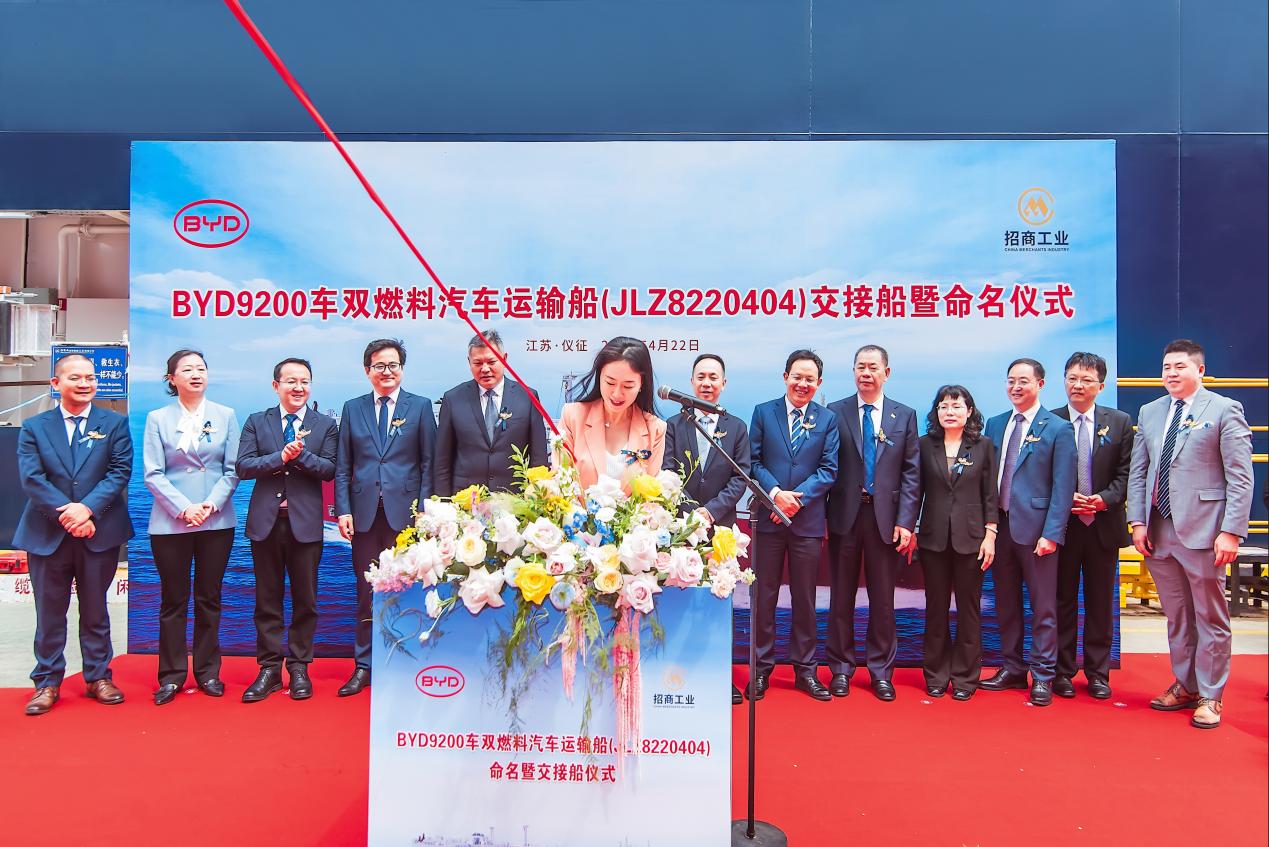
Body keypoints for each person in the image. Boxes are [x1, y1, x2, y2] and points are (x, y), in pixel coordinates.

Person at [1128, 339, 1253, 729]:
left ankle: (1211, 696)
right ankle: (1186, 684)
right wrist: (1137, 522)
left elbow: (1241, 477)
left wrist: (1231, 531)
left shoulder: (1224, 409)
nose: (1171, 373)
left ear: (1200, 370)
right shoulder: (1150, 412)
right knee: (1178, 616)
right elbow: (1139, 472)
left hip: (1205, 531)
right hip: (1158, 531)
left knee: (1209, 616)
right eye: (1166, 367)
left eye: (1179, 366)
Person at [16, 354, 133, 715]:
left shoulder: (114, 423)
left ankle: (98, 677)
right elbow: (32, 478)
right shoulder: (34, 427)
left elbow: (119, 471)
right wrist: (69, 514)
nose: (85, 384)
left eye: (90, 378)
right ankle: (47, 682)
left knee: (96, 610)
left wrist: (87, 509)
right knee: (50, 613)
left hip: (99, 531)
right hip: (47, 533)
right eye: (75, 378)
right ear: (56, 383)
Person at [335, 339, 436, 696]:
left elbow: (429, 464)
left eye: (393, 365)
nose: (387, 371)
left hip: (406, 516)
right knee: (366, 592)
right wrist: (343, 509)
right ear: (368, 371)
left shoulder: (420, 407)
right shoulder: (353, 408)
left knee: (407, 589)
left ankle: (404, 663)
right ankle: (364, 665)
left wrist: (424, 509)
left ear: (402, 369)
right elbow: (343, 465)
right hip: (363, 516)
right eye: (379, 366)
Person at [236, 358, 338, 703]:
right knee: (267, 600)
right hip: (265, 524)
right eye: (291, 381)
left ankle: (299, 667)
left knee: (306, 600)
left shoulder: (325, 425)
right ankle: (268, 669)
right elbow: (243, 466)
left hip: (305, 525)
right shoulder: (257, 421)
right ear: (276, 385)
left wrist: (300, 456)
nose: (298, 387)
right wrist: (279, 457)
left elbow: (330, 469)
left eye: (305, 381)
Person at [143, 349, 241, 705]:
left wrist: (209, 505)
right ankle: (170, 676)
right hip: (171, 521)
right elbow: (153, 473)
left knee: (209, 598)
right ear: (172, 378)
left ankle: (208, 672)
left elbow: (233, 469)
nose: (196, 374)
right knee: (173, 600)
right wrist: (185, 509)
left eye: (201, 368)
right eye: (187, 369)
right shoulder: (157, 418)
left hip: (216, 520)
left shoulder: (226, 415)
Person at [825, 345, 920, 701]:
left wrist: (906, 522)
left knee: (883, 600)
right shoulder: (834, 412)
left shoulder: (904, 415)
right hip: (844, 516)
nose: (866, 373)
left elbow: (911, 473)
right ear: (853, 371)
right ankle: (840, 668)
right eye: (860, 367)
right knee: (841, 597)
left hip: (886, 520)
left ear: (886, 373)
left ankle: (881, 672)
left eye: (873, 367)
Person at [980, 358, 1076, 706]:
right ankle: (1013, 667)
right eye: (1011, 381)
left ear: (1040, 384)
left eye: (1023, 381)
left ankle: (1044, 674)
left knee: (1043, 606)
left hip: (1038, 533)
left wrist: (1052, 533)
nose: (1016, 387)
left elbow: (1063, 488)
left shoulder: (1058, 428)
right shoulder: (995, 424)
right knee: (1006, 603)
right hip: (1000, 528)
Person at [748, 350, 840, 701]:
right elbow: (753, 462)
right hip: (769, 521)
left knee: (805, 598)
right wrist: (775, 495)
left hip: (807, 522)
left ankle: (805, 671)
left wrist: (795, 501)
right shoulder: (763, 412)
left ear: (819, 383)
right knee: (764, 597)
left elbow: (829, 470)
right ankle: (760, 669)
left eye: (810, 379)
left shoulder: (827, 419)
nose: (803, 384)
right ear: (785, 376)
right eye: (797, 377)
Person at [661, 353, 751, 705]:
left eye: (714, 377)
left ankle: (718, 675)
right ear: (691, 382)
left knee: (717, 602)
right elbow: (669, 472)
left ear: (723, 384)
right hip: (681, 529)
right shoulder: (674, 424)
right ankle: (676, 673)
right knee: (680, 597)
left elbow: (740, 477)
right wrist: (689, 514)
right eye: (701, 376)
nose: (707, 383)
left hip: (720, 528)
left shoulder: (736, 427)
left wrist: (710, 512)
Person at [1052, 352, 1134, 700]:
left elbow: (1128, 473)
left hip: (1103, 525)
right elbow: (1040, 473)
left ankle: (1098, 673)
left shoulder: (1119, 422)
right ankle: (1062, 671)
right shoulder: (1050, 421)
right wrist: (1063, 497)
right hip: (1063, 527)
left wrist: (1103, 499)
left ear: (1101, 386)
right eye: (1072, 378)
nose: (1078, 385)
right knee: (1062, 600)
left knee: (1100, 603)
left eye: (1086, 379)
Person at [915, 385, 998, 700]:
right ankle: (936, 674)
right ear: (936, 412)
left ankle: (965, 678)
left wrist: (991, 534)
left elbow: (990, 495)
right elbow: (914, 492)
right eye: (943, 406)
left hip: (972, 539)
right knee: (935, 608)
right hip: (932, 539)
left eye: (956, 406)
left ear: (969, 411)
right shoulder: (924, 445)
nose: (949, 412)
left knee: (969, 610)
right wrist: (909, 529)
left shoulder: (983, 446)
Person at [434, 330, 547, 496]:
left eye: (492, 362)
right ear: (469, 362)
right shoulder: (453, 399)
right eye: (478, 363)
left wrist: (537, 499)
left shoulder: (527, 397)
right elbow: (442, 462)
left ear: (504, 359)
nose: (485, 369)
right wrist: (443, 502)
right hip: (466, 500)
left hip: (515, 500)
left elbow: (539, 459)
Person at [558, 336, 665, 491]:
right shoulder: (572, 416)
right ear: (599, 376)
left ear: (641, 384)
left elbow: (651, 493)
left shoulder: (655, 428)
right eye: (610, 382)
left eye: (628, 386)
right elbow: (560, 481)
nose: (617, 394)